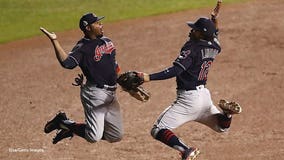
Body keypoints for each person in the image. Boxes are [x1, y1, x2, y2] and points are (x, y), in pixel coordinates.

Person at [139, 5, 242, 160]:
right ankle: (226, 114)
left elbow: (176, 70)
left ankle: (185, 150)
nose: (191, 30)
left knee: (158, 129)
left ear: (201, 34)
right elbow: (214, 34)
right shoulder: (215, 46)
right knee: (222, 128)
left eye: (195, 29)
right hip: (204, 98)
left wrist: (148, 77)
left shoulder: (191, 48)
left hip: (188, 101)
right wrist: (214, 20)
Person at [40, 12, 123, 144]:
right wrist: (54, 41)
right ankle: (65, 123)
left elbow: (114, 65)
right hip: (95, 93)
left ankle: (68, 128)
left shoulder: (107, 41)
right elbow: (67, 63)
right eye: (97, 23)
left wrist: (123, 81)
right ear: (88, 28)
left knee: (115, 135)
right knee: (94, 137)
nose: (101, 25)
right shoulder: (82, 47)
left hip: (111, 93)